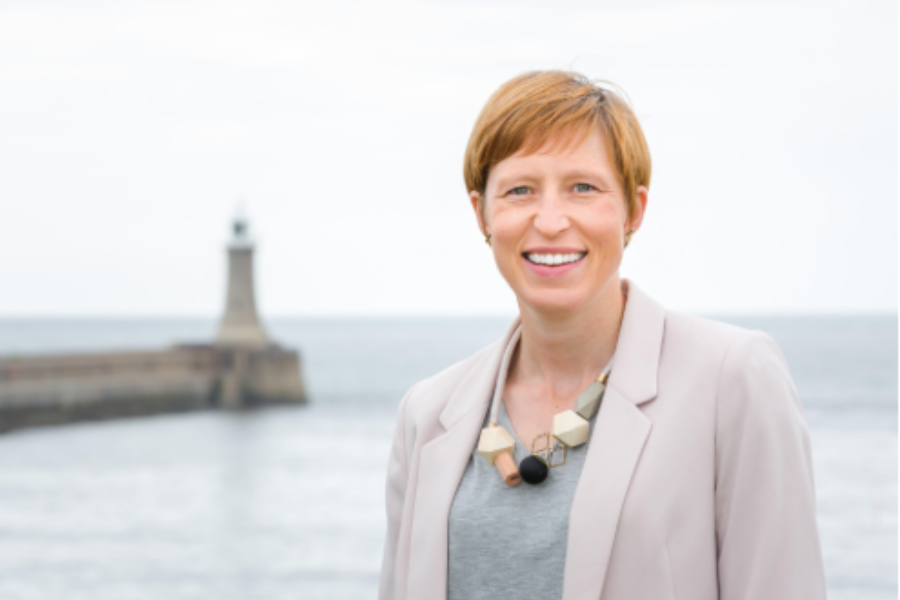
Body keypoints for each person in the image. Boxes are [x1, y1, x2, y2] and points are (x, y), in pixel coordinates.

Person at [378, 70, 826, 600]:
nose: (549, 220)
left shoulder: (733, 381)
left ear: (634, 210)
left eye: (583, 188)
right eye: (520, 190)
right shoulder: (426, 414)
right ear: (483, 215)